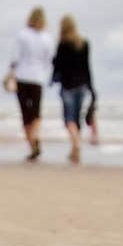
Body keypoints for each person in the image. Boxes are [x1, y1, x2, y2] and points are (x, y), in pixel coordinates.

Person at [6, 6, 54, 161]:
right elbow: (49, 60)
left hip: (22, 77)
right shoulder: (47, 38)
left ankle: (32, 143)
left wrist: (11, 74)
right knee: (36, 113)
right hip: (38, 78)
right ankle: (35, 137)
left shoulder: (23, 35)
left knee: (25, 114)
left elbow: (15, 57)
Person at [51, 15, 95, 164]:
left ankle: (75, 144)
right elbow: (87, 68)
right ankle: (74, 147)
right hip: (82, 85)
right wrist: (91, 88)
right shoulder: (83, 44)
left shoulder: (63, 44)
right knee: (77, 119)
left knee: (69, 119)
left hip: (68, 86)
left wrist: (53, 77)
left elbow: (57, 66)